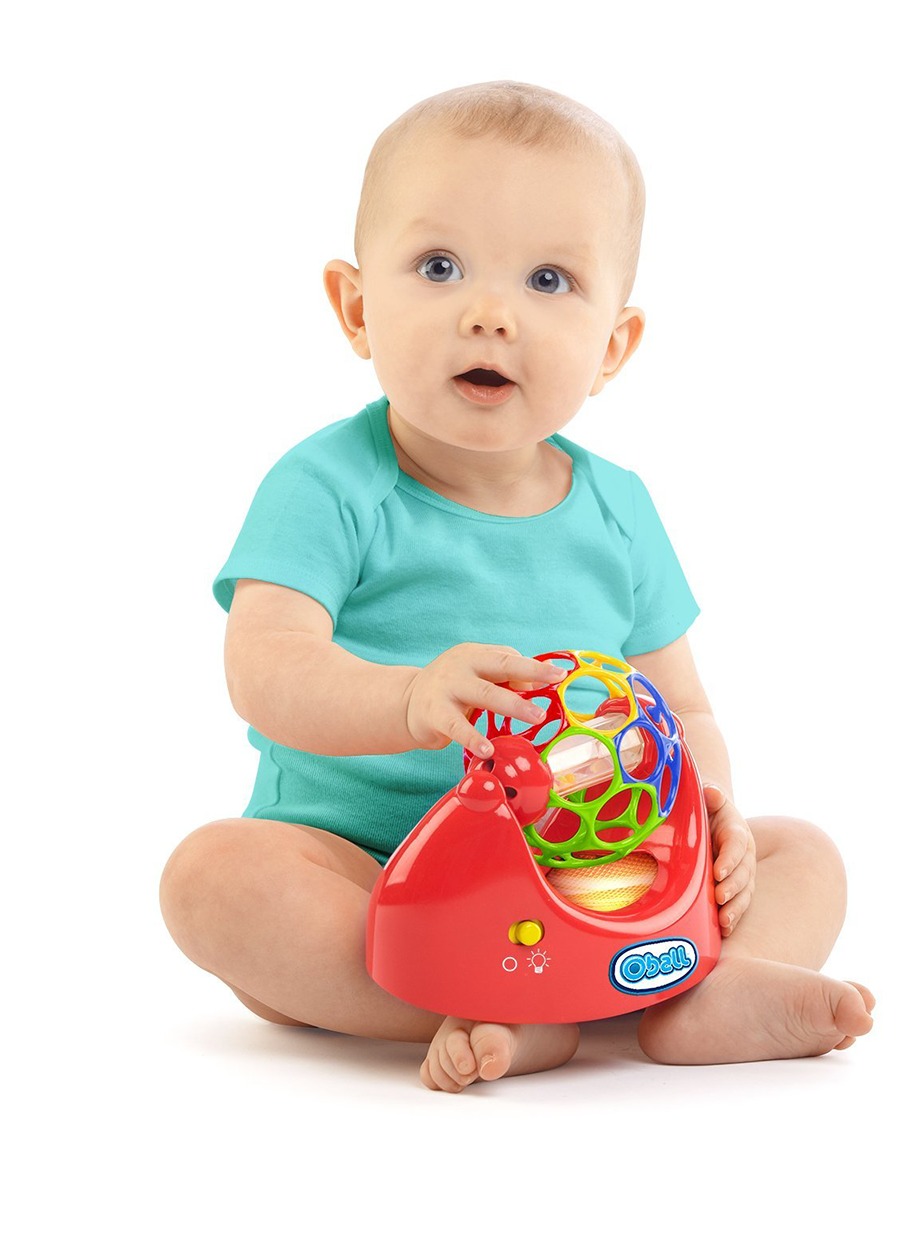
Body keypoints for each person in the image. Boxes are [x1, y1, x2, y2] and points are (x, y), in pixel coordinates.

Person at [160, 81, 874, 1092]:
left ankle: (704, 990)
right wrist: (409, 699)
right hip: (372, 874)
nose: (490, 315)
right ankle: (494, 1001)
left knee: (805, 853)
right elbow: (265, 669)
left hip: (586, 862)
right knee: (215, 880)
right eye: (439, 267)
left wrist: (712, 816)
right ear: (357, 308)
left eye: (548, 280)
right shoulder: (326, 486)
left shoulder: (619, 508)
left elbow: (686, 707)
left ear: (612, 346)